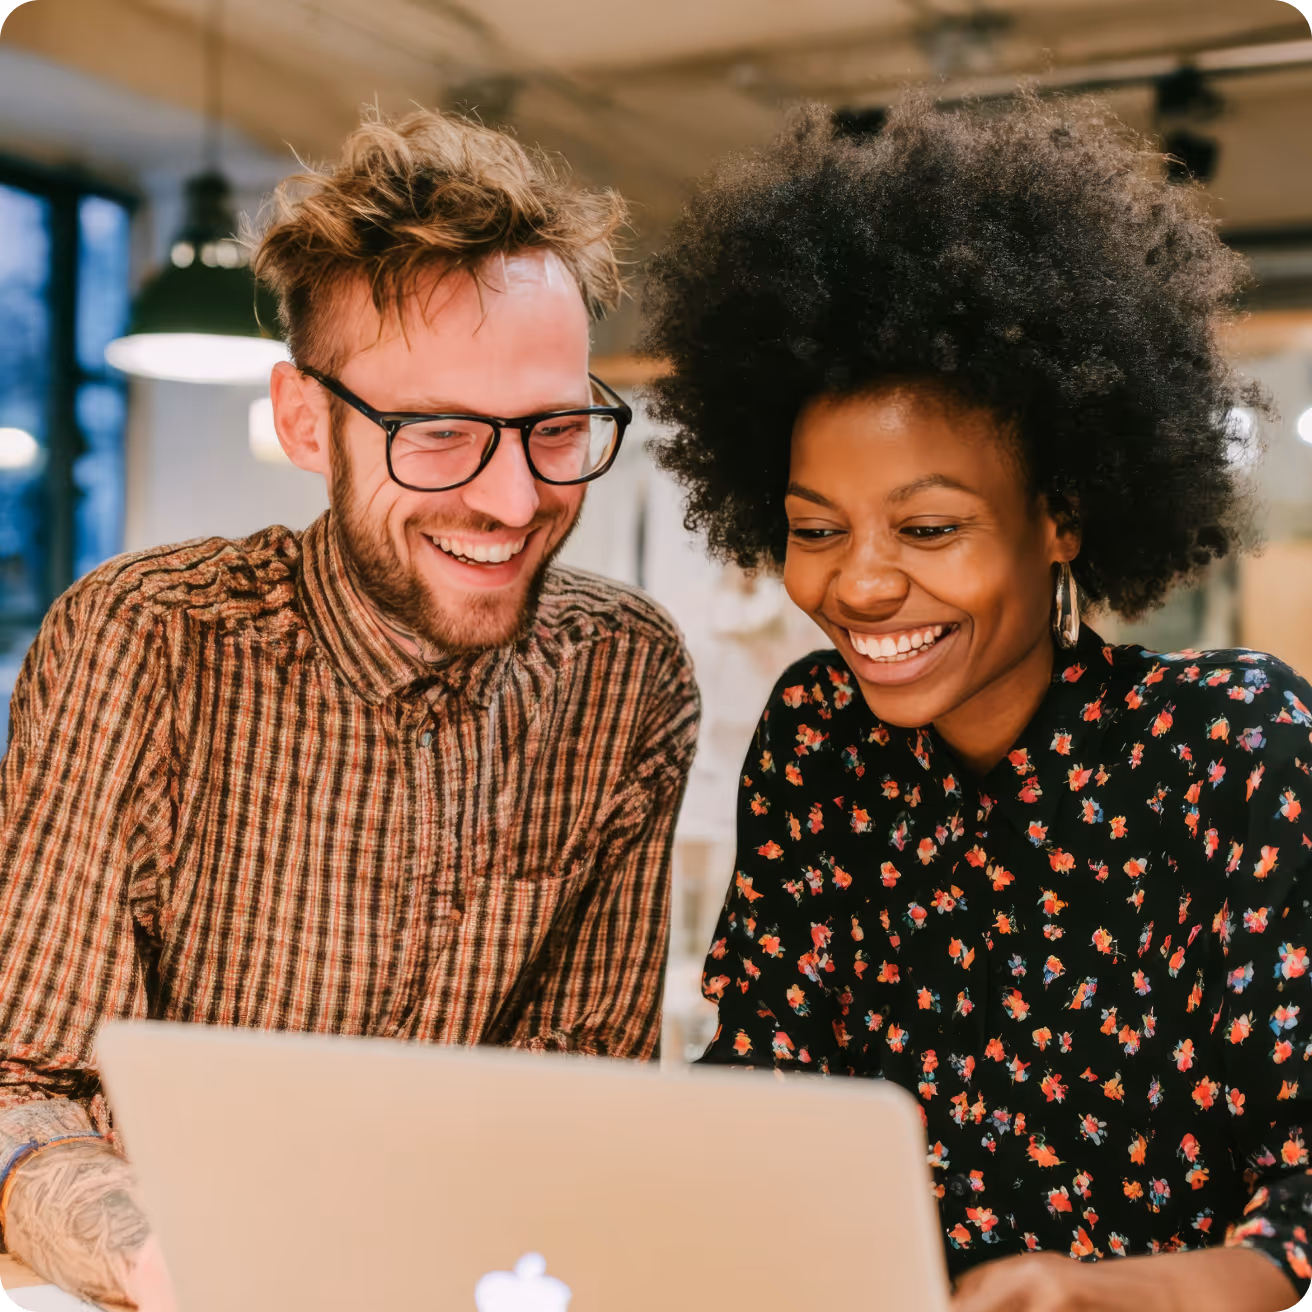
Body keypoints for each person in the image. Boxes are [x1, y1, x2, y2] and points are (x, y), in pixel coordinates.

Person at [0, 109, 698, 1309]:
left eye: (554, 429)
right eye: (436, 434)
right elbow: (20, 1079)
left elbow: (584, 1094)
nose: (513, 497)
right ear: (305, 420)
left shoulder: (626, 678)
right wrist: (160, 1258)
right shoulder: (146, 642)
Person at [641, 95, 1307, 1311]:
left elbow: (1300, 1209)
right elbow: (763, 1094)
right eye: (812, 529)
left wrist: (1098, 1294)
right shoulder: (818, 738)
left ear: (1061, 516)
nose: (861, 582)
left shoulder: (1234, 749)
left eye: (931, 527)